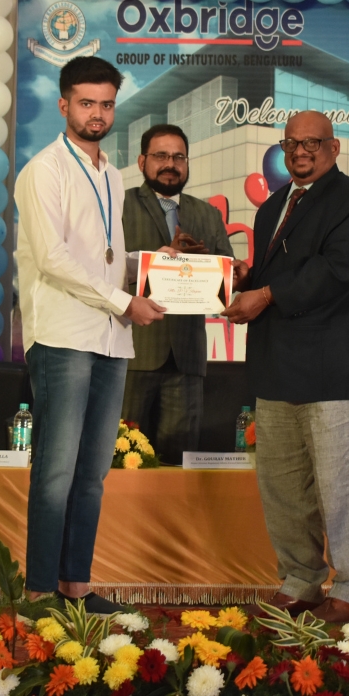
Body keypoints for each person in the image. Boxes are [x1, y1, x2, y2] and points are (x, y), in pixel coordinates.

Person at [14, 56, 172, 612]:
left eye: (106, 104)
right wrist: (125, 300)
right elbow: (54, 259)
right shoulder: (44, 170)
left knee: (92, 472)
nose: (97, 114)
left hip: (110, 336)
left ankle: (75, 586)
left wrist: (150, 265)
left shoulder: (113, 173)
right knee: (55, 470)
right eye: (86, 103)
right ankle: (39, 591)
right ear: (64, 105)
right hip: (63, 334)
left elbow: (101, 255)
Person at [223, 110, 349, 623]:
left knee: (341, 487)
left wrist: (265, 294)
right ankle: (301, 580)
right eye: (292, 143)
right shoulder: (273, 206)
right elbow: (278, 272)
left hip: (332, 370)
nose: (301, 152)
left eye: (312, 142)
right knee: (284, 487)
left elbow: (338, 271)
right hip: (276, 366)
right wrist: (242, 278)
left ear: (334, 147)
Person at [121, 124, 235, 464]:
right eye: (161, 156)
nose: (170, 164)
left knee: (179, 461)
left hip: (187, 359)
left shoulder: (207, 214)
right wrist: (156, 262)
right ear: (142, 161)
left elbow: (228, 276)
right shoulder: (120, 205)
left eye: (179, 157)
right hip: (132, 353)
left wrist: (216, 268)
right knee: (121, 457)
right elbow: (101, 268)